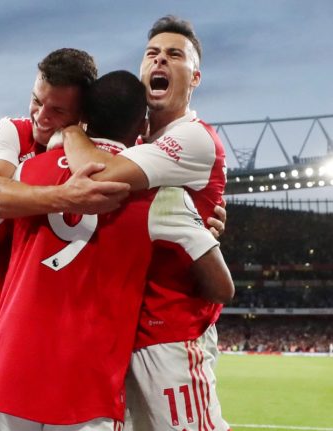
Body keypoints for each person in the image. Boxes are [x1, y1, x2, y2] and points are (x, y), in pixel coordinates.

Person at [0, 70, 233, 430]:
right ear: (142, 127)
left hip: (10, 374)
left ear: (84, 118)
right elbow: (222, 287)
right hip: (88, 387)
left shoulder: (26, 172)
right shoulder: (160, 195)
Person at [62, 16, 231, 430]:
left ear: (195, 77)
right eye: (152, 53)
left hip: (171, 334)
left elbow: (97, 175)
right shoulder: (136, 143)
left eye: (175, 55)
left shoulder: (193, 137)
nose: (160, 60)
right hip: (122, 331)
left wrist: (70, 131)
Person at [0, 48, 116, 431]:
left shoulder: (104, 155)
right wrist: (63, 197)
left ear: (83, 115)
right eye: (37, 100)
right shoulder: (15, 131)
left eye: (57, 111)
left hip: (67, 338)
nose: (40, 116)